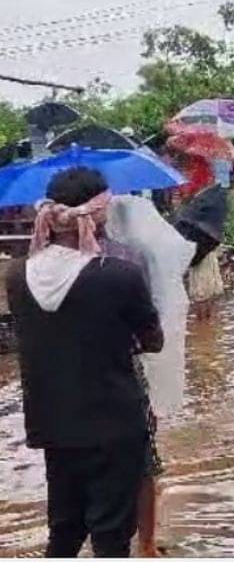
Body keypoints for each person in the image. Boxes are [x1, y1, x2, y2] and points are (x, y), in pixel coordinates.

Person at [5, 168, 164, 557]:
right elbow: (153, 340)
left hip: (53, 423)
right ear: (95, 215)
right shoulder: (119, 275)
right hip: (113, 421)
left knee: (64, 527)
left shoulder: (17, 276)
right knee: (111, 532)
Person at [104, 196, 197, 558]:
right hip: (132, 369)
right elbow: (154, 331)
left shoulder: (74, 259)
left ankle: (104, 533)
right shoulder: (136, 258)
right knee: (143, 459)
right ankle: (145, 542)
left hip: (82, 378)